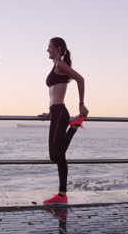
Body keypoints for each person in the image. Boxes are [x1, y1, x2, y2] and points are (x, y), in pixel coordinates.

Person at [40, 37, 89, 205]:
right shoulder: (56, 65)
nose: (47, 50)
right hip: (56, 113)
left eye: (49, 47)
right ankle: (62, 195)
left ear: (58, 48)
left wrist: (81, 104)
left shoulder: (60, 65)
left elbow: (80, 79)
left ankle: (74, 127)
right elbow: (55, 92)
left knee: (56, 155)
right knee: (59, 156)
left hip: (60, 112)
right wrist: (49, 112)